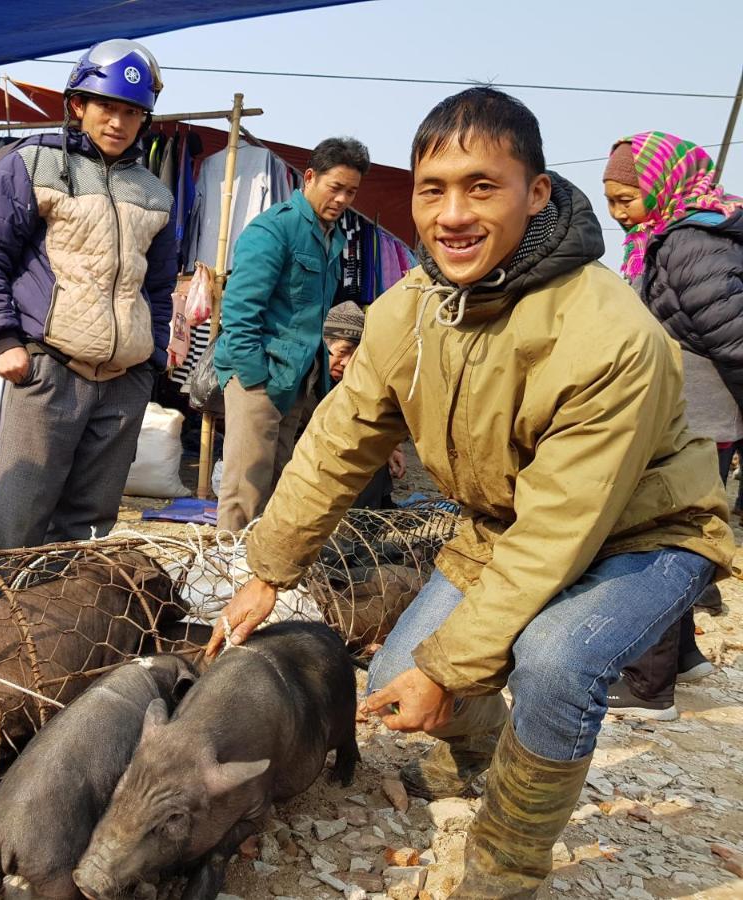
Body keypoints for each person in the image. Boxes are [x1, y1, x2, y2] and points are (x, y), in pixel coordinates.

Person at [206, 88, 733, 897]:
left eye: (482, 186)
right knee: (394, 681)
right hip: (504, 525)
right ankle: (498, 761)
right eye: (433, 189)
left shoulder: (607, 330)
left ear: (537, 193)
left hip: (646, 531)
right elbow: (338, 444)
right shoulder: (409, 310)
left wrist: (452, 672)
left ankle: (508, 860)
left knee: (554, 660)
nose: (452, 214)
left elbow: (560, 529)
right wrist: (268, 569)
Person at [0, 39, 177, 550]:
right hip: (50, 366)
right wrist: (4, 339)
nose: (118, 122)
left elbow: (160, 284)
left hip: (125, 379)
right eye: (106, 107)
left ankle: (62, 626)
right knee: (20, 513)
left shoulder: (155, 191)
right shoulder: (32, 163)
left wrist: (156, 355)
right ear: (78, 105)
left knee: (90, 524)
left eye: (132, 112)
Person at [599, 132, 742, 717]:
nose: (617, 212)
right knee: (684, 533)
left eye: (626, 198)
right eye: (610, 199)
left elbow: (734, 335)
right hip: (695, 418)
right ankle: (682, 654)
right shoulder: (670, 235)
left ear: (662, 184)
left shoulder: (688, 242)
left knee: (655, 538)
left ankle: (647, 684)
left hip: (694, 421)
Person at [213, 137, 369, 532]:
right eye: (336, 188)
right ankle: (223, 583)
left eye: (351, 191)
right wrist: (254, 377)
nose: (343, 199)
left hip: (297, 380)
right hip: (260, 377)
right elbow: (240, 310)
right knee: (243, 493)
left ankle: (259, 577)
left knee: (277, 486)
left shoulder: (333, 237)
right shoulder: (274, 229)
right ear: (311, 177)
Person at [322, 300, 405, 510]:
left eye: (354, 355)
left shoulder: (358, 380)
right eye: (342, 352)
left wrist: (392, 447)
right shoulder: (307, 382)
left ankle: (373, 512)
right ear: (323, 345)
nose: (346, 362)